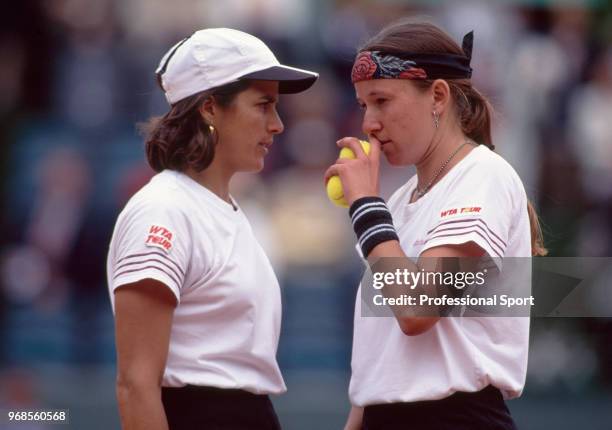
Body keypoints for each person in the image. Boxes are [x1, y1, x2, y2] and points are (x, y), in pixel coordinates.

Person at [324, 20, 546, 430]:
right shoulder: (396, 200)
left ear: (438, 96)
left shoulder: (482, 174)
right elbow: (380, 363)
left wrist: (366, 208)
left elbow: (417, 310)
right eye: (362, 105)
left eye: (382, 100)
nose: (368, 123)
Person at [106, 28, 317, 430]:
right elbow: (136, 385)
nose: (277, 125)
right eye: (263, 105)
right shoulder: (163, 210)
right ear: (209, 108)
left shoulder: (236, 212)